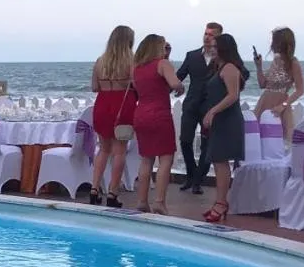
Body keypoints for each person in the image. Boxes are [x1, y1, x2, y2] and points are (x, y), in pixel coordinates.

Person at [131, 33, 184, 214]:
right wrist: (180, 87)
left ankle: (141, 200)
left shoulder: (136, 68)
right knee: (165, 158)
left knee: (146, 159)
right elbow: (175, 83)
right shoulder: (162, 64)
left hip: (141, 114)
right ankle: (159, 202)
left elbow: (143, 89)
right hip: (159, 115)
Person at [200, 34, 249, 223]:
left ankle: (221, 202)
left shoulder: (229, 68)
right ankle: (219, 201)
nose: (211, 49)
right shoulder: (218, 67)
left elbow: (233, 95)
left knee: (221, 162)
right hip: (221, 120)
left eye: (214, 46)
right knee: (218, 161)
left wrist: (213, 111)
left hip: (228, 119)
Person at [88, 25, 137, 207]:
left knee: (103, 148)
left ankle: (94, 189)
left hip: (103, 104)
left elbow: (94, 87)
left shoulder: (101, 61)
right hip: (122, 106)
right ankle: (112, 192)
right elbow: (137, 85)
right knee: (120, 151)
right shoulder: (132, 61)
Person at [177, 22, 223, 194]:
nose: (207, 37)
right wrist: (171, 87)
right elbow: (179, 76)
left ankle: (197, 180)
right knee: (185, 141)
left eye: (211, 34)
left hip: (210, 107)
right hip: (191, 105)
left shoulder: (222, 58)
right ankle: (191, 174)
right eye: (205, 33)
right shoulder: (192, 55)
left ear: (218, 37)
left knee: (207, 145)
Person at [252, 27, 304, 143]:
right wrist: (259, 67)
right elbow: (263, 84)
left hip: (280, 105)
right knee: (260, 140)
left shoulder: (293, 63)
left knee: (280, 142)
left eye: (274, 41)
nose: (272, 44)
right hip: (264, 102)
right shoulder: (275, 61)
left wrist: (283, 105)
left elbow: (300, 90)